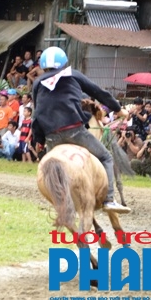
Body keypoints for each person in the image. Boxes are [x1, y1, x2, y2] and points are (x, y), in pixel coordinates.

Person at [32, 47, 131, 214]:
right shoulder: (73, 74)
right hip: (75, 131)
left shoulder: (37, 83)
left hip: (51, 137)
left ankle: (57, 201)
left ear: (43, 65)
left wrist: (39, 141)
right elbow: (100, 93)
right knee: (106, 157)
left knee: (49, 168)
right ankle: (109, 200)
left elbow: (38, 114)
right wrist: (118, 109)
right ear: (64, 62)